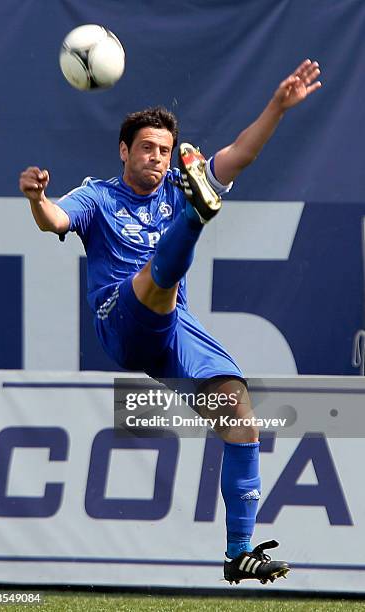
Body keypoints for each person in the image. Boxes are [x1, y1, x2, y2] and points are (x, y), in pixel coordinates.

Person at [20, 59, 321, 585]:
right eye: (146, 148)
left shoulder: (175, 183)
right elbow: (56, 221)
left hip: (174, 329)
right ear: (124, 151)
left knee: (239, 416)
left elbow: (242, 153)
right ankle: (195, 218)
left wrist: (277, 105)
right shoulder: (98, 196)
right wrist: (37, 198)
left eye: (164, 150)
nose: (156, 158)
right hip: (122, 317)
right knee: (157, 281)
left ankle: (239, 551)